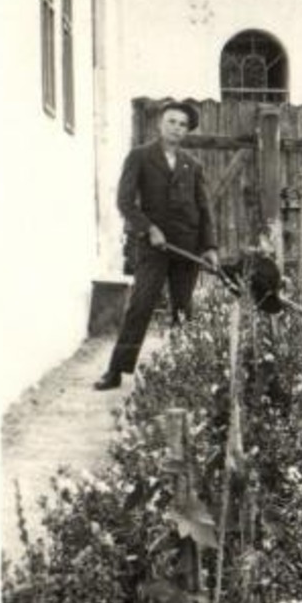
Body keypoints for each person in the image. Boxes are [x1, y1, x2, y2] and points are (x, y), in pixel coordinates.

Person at [95, 100, 219, 391]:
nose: (177, 128)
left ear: (186, 131)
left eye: (182, 125)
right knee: (140, 306)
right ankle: (115, 371)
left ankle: (183, 372)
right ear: (160, 124)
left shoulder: (193, 164)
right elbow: (125, 201)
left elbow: (204, 208)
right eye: (172, 122)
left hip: (185, 248)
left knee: (182, 310)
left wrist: (210, 247)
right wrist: (149, 229)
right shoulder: (139, 157)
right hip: (153, 246)